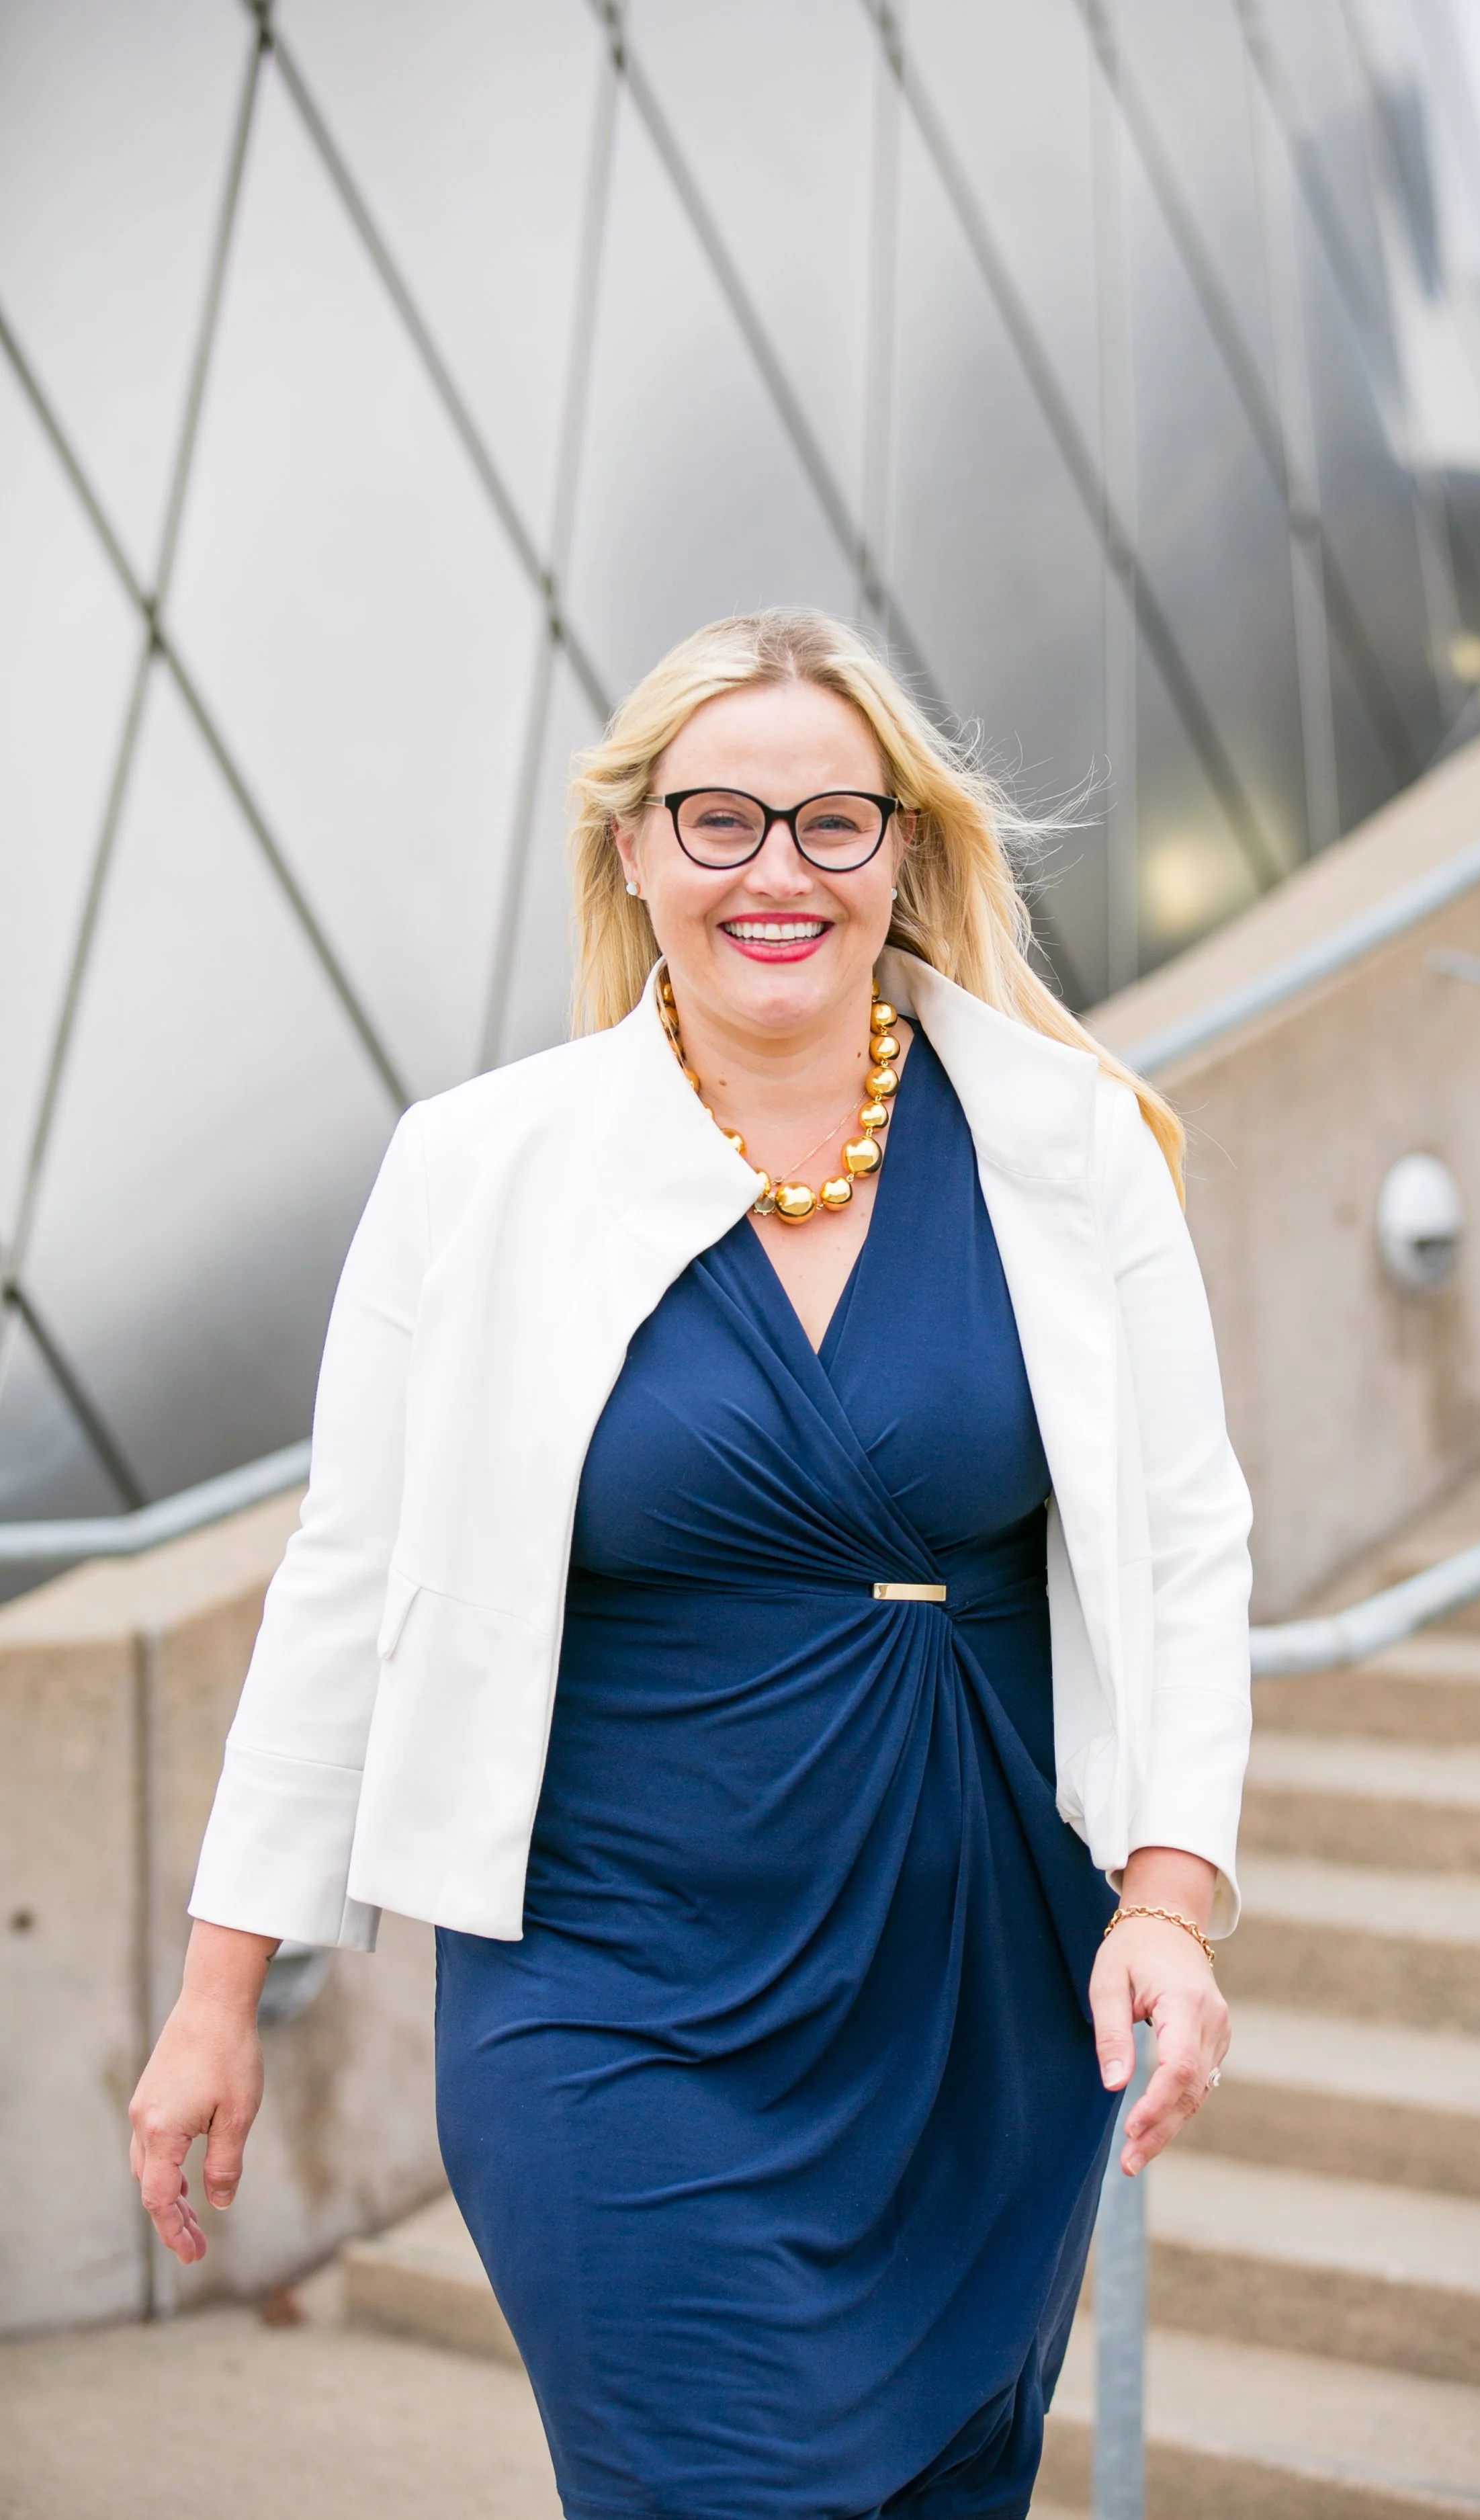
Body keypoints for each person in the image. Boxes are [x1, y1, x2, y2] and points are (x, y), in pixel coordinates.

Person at [130, 607, 1252, 2519]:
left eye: (832, 822)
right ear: (631, 846)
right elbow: (347, 1579)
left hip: (977, 1971)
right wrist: (218, 1988)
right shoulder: (475, 1170)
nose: (775, 873)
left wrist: (1168, 1890)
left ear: (901, 848)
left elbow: (1184, 1538)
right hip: (607, 1973)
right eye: (718, 819)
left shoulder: (1070, 1147)